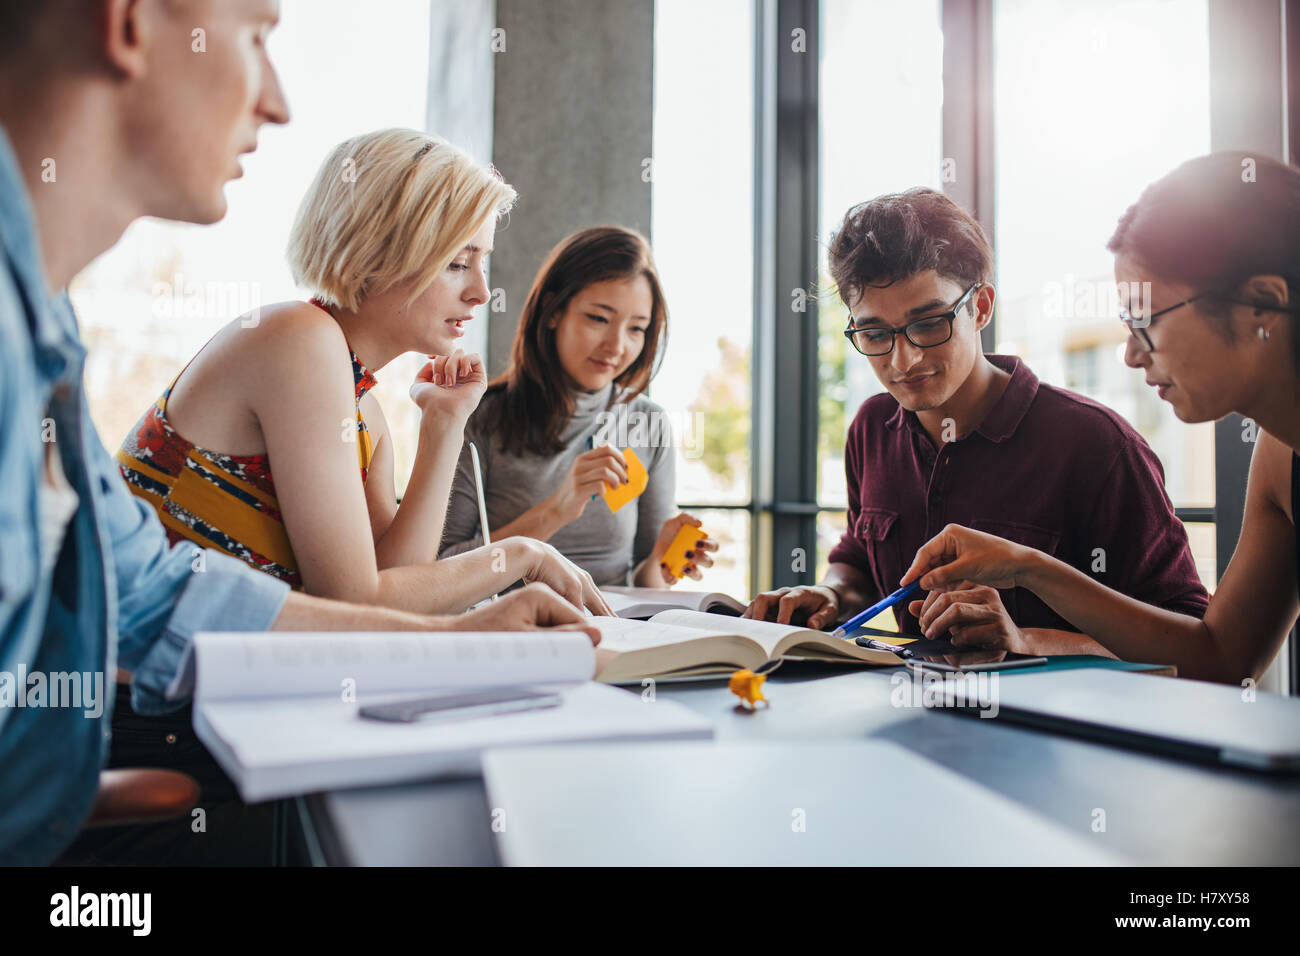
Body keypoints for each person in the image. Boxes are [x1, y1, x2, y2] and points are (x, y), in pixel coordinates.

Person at [0, 0, 595, 865]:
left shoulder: (44, 330)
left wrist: (442, 447)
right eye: (256, 37)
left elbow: (162, 595)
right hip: (157, 735)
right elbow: (357, 595)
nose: (278, 101)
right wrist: (513, 568)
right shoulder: (298, 341)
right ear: (128, 23)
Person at [116, 128, 609, 617]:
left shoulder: (364, 412)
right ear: (377, 253)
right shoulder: (296, 339)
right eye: (458, 263)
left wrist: (444, 425)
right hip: (127, 684)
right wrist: (524, 555)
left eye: (484, 263)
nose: (481, 292)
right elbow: (354, 604)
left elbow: (393, 600)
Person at [745, 188, 1209, 657]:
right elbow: (858, 561)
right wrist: (831, 595)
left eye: (928, 323)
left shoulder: (1098, 445)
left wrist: (1028, 640)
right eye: (874, 333)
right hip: (913, 718)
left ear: (981, 307)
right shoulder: (871, 428)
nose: (904, 360)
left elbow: (1190, 641)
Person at [903, 153, 1299, 684]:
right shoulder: (1278, 456)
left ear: (1262, 304)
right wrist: (1027, 565)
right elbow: (1222, 658)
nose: (1133, 356)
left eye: (1145, 323)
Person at [440, 226, 719, 587]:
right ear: (553, 311)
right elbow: (438, 569)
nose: (616, 346)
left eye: (637, 329)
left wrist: (659, 562)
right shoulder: (481, 416)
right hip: (513, 629)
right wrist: (558, 509)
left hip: (616, 632)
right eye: (599, 319)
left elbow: (648, 589)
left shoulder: (648, 423)